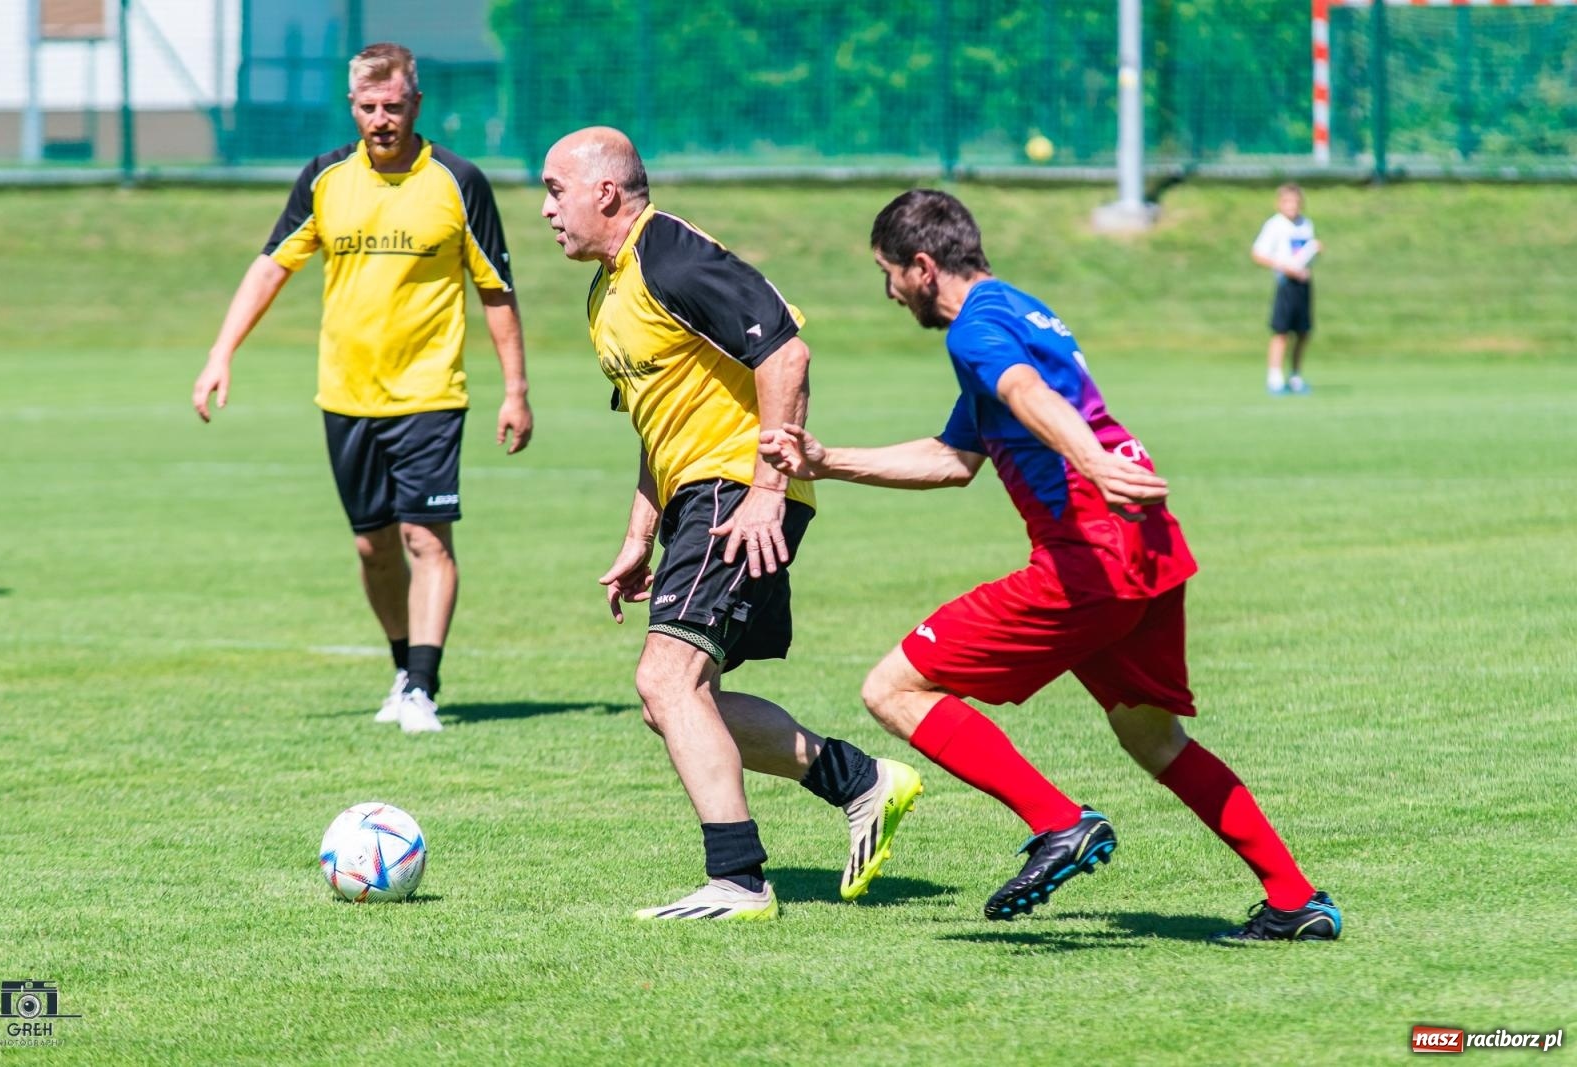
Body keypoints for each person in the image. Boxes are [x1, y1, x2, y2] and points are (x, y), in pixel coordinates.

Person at [760, 189, 1340, 941]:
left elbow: (1025, 391)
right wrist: (828, 460)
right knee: (1153, 739)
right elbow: (953, 459)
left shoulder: (975, 331)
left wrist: (1091, 463)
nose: (890, 292)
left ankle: (1059, 821)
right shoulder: (1018, 309)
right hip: (1147, 546)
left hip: (1090, 555)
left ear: (923, 266)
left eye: (889, 274)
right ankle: (1296, 900)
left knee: (892, 688)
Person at [539, 127, 922, 921]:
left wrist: (766, 490)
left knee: (666, 680)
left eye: (554, 190)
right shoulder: (606, 292)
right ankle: (861, 781)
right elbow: (657, 422)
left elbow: (787, 355)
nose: (547, 209)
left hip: (736, 489)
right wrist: (638, 536)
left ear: (605, 192)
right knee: (674, 700)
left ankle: (739, 881)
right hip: (700, 496)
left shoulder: (669, 255)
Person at [191, 43, 532, 734]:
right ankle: (404, 669)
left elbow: (495, 287)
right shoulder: (324, 179)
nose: (382, 119)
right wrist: (221, 351)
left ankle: (424, 688)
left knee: (425, 539)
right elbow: (271, 266)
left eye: (394, 106)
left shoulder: (458, 181)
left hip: (430, 393)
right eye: (369, 107)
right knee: (373, 548)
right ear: (352, 107)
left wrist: (515, 389)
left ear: (417, 104)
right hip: (345, 395)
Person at [1251, 183, 1320, 395]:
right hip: (1286, 283)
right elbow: (1258, 254)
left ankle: (1296, 376)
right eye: (1287, 202)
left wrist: (1314, 253)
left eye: (1296, 202)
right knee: (1281, 331)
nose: (1292, 206)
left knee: (1303, 332)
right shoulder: (1275, 225)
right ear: (1279, 204)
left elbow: (1303, 254)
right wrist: (1285, 268)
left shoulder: (1305, 224)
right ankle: (1275, 378)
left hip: (1303, 282)